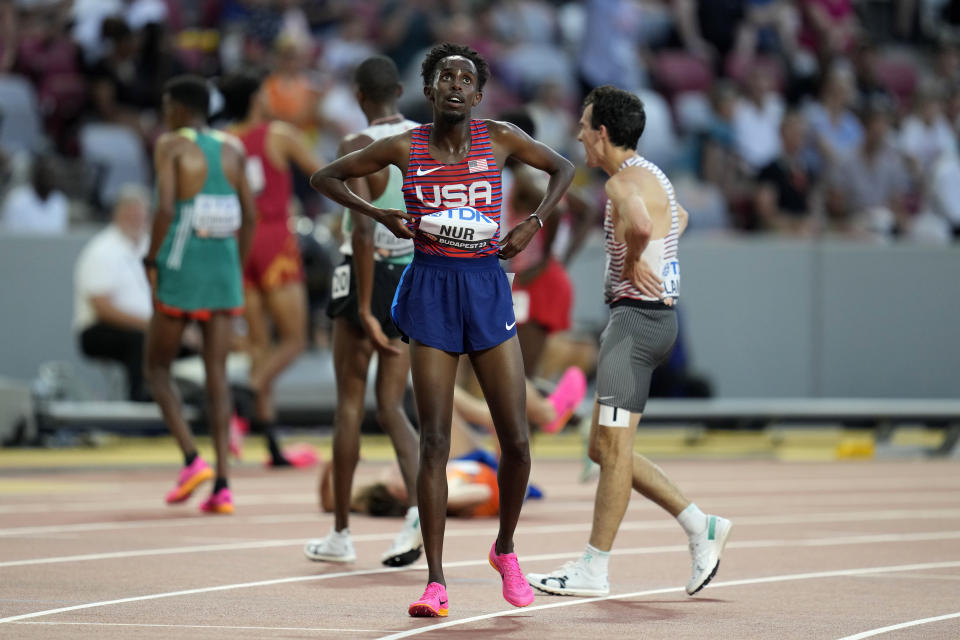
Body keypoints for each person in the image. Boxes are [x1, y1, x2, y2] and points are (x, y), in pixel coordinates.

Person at [310, 42, 575, 618]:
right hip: (429, 286)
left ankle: (505, 550)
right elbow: (324, 177)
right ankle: (434, 580)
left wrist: (532, 223)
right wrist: (379, 214)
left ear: (478, 95)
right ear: (429, 91)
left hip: (485, 287)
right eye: (445, 77)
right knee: (434, 439)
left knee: (518, 442)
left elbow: (565, 167)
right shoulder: (404, 146)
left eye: (466, 78)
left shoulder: (500, 138)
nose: (455, 84)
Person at [526, 86, 731, 599]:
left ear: (602, 134)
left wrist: (638, 256)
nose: (577, 134)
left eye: (583, 126)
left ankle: (594, 568)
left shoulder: (621, 185)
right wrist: (652, 248)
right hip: (653, 323)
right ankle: (698, 523)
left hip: (635, 324)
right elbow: (674, 218)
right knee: (603, 446)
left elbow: (642, 221)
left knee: (612, 450)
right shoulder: (652, 173)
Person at [302, 55, 423, 568]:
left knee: (350, 403)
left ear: (357, 96)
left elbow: (362, 230)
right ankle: (419, 517)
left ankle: (341, 534)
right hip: (415, 275)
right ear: (399, 89)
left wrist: (368, 312)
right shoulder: (426, 138)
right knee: (393, 405)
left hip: (365, 278)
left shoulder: (356, 146)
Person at [143, 75, 255, 515]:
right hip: (223, 267)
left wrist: (151, 259)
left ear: (177, 107)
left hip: (182, 264)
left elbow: (167, 207)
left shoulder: (170, 145)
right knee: (217, 376)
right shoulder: (233, 148)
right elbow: (251, 212)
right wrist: (236, 264)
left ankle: (192, 459)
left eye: (167, 106)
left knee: (155, 367)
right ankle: (223, 485)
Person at [218, 70, 323, 467]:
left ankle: (272, 444)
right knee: (295, 340)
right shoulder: (278, 134)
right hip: (276, 237)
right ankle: (249, 394)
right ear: (255, 99)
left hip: (238, 240)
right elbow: (323, 173)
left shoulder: (225, 142)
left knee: (261, 346)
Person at [74, 185, 154, 401]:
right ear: (117, 214)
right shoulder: (102, 250)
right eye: (131, 213)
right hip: (100, 330)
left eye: (140, 214)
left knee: (189, 339)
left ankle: (191, 401)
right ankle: (139, 401)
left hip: (148, 326)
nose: (137, 219)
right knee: (140, 340)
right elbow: (102, 308)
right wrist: (149, 325)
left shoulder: (150, 247)